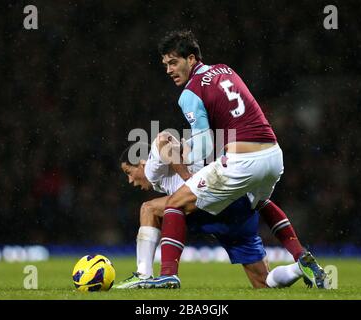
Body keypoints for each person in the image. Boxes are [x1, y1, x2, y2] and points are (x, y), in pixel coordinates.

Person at [140, 30, 327, 289]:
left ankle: (168, 274)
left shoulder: (190, 92)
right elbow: (231, 121)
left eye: (174, 62)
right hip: (273, 156)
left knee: (175, 203)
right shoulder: (225, 70)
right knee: (258, 202)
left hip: (243, 161)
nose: (169, 70)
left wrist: (188, 157)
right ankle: (298, 258)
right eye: (165, 65)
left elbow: (206, 141)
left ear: (191, 59)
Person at [114, 137, 305, 289]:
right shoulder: (170, 170)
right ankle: (299, 268)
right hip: (235, 210)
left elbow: (164, 140)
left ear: (141, 163)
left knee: (149, 208)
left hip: (209, 199)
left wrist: (188, 179)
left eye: (128, 172)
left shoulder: (152, 168)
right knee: (264, 283)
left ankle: (145, 274)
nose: (131, 180)